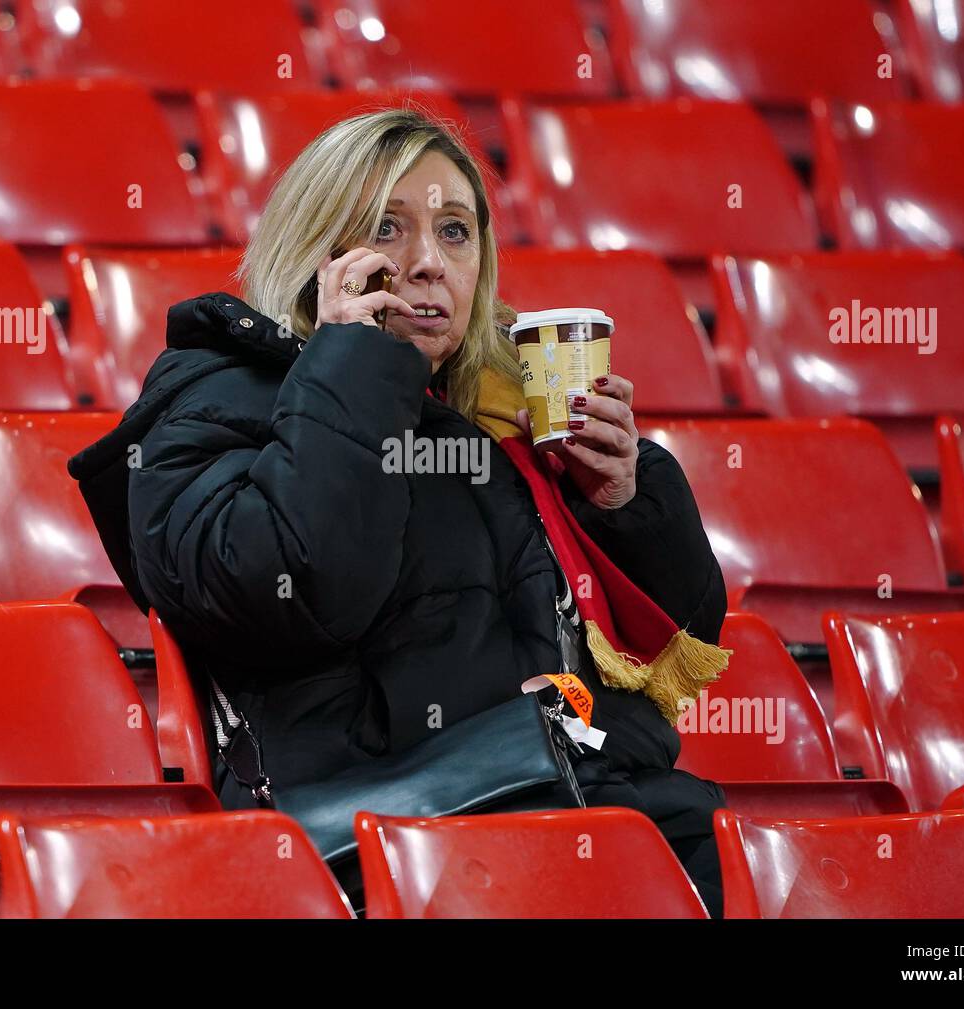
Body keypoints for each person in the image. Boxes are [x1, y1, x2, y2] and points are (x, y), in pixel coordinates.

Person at [70, 106, 731, 915]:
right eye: (387, 227)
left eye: (455, 232)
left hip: (573, 802)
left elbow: (692, 639)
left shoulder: (503, 411)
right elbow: (291, 589)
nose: (427, 263)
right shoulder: (209, 399)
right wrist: (353, 366)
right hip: (378, 845)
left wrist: (623, 501)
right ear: (318, 249)